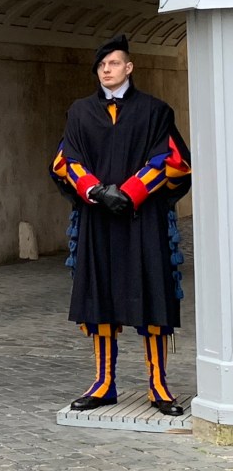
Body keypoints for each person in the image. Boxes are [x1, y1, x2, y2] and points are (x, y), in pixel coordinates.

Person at [50, 34, 191, 416]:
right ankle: (103, 383)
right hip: (97, 219)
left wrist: (129, 193)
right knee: (99, 298)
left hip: (142, 219)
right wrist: (95, 191)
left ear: (129, 67)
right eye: (101, 66)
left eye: (113, 63)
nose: (106, 70)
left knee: (152, 294)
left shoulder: (155, 110)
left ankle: (159, 384)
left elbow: (171, 160)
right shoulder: (79, 112)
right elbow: (66, 161)